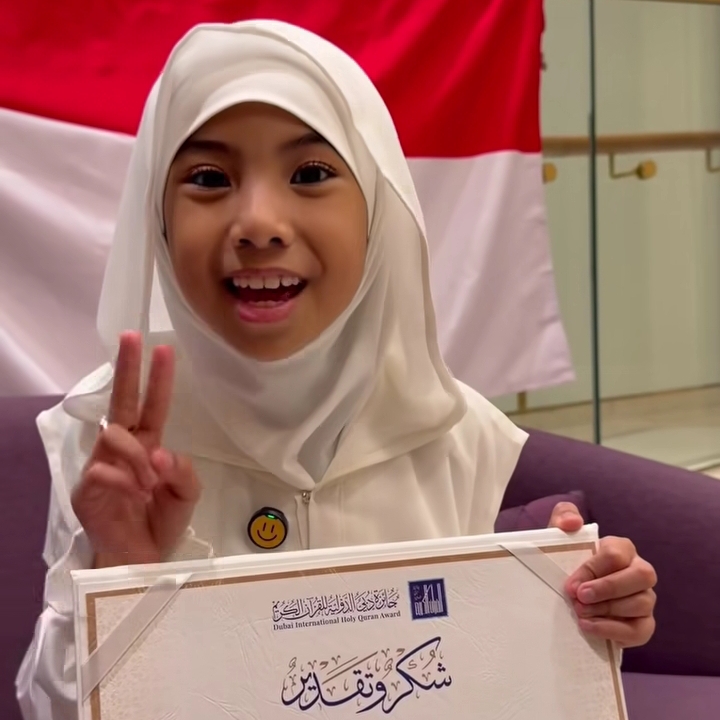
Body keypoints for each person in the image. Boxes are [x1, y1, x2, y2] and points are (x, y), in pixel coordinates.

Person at [16, 19, 657, 720]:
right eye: (208, 179)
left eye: (311, 174)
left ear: (376, 210)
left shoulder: (455, 431)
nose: (259, 223)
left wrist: (582, 613)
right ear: (159, 223)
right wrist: (123, 571)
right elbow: (50, 707)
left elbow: (479, 679)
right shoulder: (105, 443)